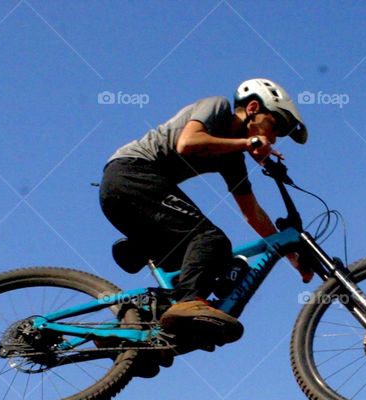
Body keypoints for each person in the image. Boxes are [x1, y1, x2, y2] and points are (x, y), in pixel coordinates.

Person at [98, 78, 313, 362]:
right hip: (130, 175)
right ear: (251, 108)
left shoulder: (231, 157)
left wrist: (292, 256)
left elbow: (252, 214)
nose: (272, 139)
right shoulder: (218, 107)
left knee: (208, 262)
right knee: (210, 239)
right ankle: (187, 304)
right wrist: (248, 143)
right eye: (273, 127)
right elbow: (188, 143)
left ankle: (142, 338)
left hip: (133, 194)